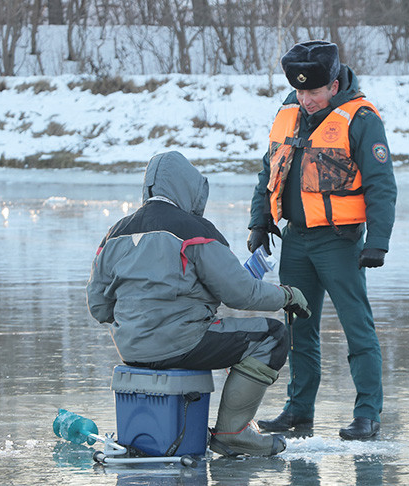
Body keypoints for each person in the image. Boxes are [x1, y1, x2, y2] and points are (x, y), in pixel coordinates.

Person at [86, 151, 312, 457]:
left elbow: (98, 306)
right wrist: (287, 295)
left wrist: (141, 314)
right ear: (189, 188)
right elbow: (241, 294)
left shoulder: (115, 233)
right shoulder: (195, 231)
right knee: (271, 337)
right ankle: (232, 433)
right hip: (181, 342)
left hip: (132, 348)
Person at [248, 40, 397, 440]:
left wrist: (377, 242)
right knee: (297, 330)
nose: (306, 99)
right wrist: (259, 222)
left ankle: (367, 413)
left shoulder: (361, 119)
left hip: (341, 242)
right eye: (300, 91)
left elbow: (382, 184)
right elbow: (269, 171)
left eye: (314, 91)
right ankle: (299, 411)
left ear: (333, 85)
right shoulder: (289, 113)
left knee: (357, 328)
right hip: (295, 241)